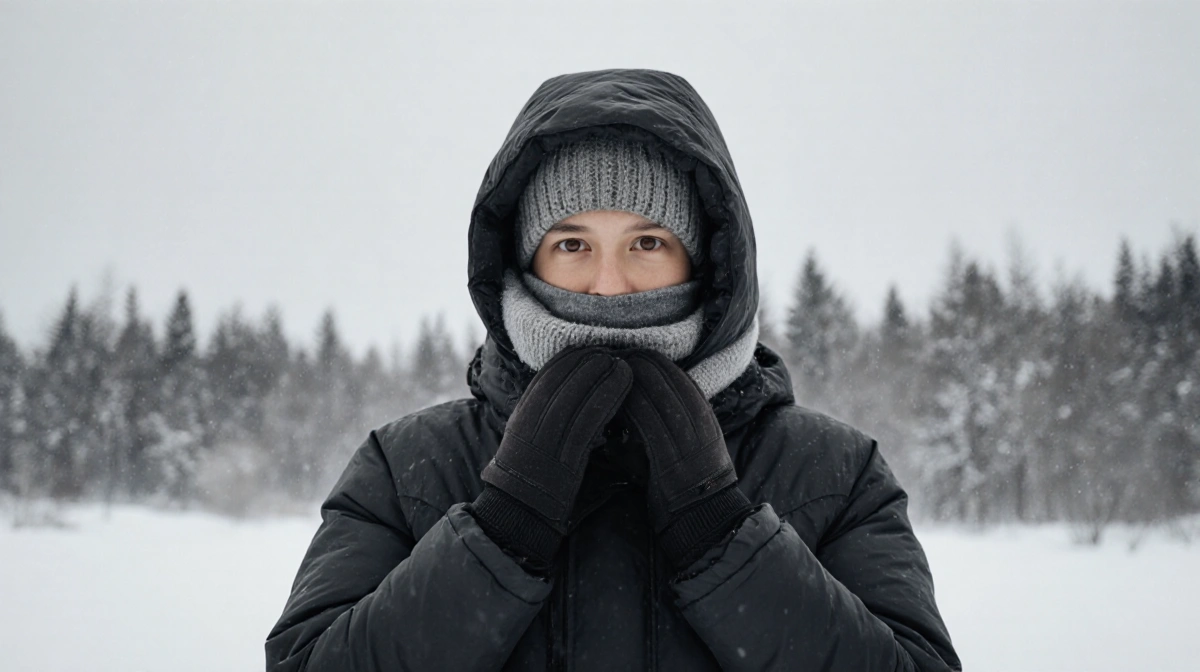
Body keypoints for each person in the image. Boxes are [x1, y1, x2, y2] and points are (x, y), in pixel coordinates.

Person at [265, 68, 960, 671]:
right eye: (572, 243)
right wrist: (502, 528)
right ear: (523, 261)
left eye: (648, 242)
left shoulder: (835, 473)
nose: (608, 285)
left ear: (707, 261)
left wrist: (722, 534)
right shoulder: (406, 465)